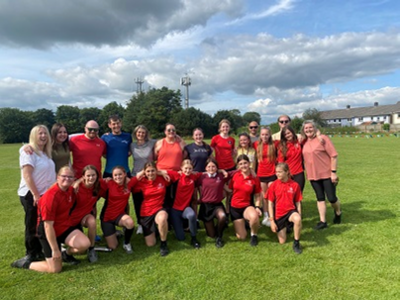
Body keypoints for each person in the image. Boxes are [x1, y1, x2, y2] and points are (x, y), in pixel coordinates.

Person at [12, 166, 91, 272]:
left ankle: (65, 254)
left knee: (84, 244)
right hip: (47, 231)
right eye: (64, 176)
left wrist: (81, 180)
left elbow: (87, 184)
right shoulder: (50, 197)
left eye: (70, 177)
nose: (67, 179)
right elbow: (47, 226)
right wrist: (55, 250)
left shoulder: (70, 190)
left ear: (73, 179)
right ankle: (27, 264)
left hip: (63, 226)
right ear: (57, 177)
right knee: (55, 269)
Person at [17, 125, 56, 263]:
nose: (43, 136)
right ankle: (31, 252)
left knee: (41, 223)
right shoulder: (29, 152)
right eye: (40, 134)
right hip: (31, 194)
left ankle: (39, 250)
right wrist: (36, 194)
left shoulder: (44, 153)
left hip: (44, 194)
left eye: (45, 133)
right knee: (32, 223)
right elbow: (27, 175)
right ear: (34, 135)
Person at [301, 120, 342, 230]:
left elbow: (333, 155)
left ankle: (338, 212)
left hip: (327, 174)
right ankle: (322, 221)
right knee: (320, 198)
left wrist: (333, 173)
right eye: (306, 128)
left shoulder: (323, 139)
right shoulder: (304, 142)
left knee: (332, 198)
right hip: (313, 175)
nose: (308, 130)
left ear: (314, 128)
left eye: (310, 127)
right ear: (303, 130)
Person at [70, 165, 107, 263]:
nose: (91, 178)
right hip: (71, 220)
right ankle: (64, 252)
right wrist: (77, 182)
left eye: (93, 175)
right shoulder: (75, 188)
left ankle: (91, 249)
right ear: (83, 177)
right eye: (88, 175)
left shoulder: (98, 185)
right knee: (80, 249)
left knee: (92, 221)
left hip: (84, 217)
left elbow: (112, 183)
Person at [133, 162, 172, 256]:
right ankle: (158, 231)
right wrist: (139, 174)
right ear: (145, 172)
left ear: (156, 170)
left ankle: (163, 243)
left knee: (162, 218)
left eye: (153, 171)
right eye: (148, 171)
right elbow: (130, 185)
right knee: (150, 244)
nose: (151, 173)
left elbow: (175, 175)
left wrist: (161, 172)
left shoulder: (162, 179)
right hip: (146, 212)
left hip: (159, 208)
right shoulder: (141, 181)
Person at [197, 158, 235, 248]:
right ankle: (216, 228)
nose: (211, 168)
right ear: (205, 168)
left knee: (222, 216)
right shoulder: (201, 177)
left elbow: (236, 171)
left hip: (217, 205)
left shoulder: (221, 176)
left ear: (217, 168)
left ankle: (220, 237)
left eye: (213, 166)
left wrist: (251, 171)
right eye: (209, 166)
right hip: (205, 206)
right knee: (211, 235)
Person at [100, 166, 138, 254]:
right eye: (115, 175)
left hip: (119, 216)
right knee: (113, 246)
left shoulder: (130, 183)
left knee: (130, 223)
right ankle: (115, 233)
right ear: (112, 176)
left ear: (125, 174)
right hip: (107, 218)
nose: (118, 177)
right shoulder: (109, 183)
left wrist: (161, 172)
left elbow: (142, 173)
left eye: (120, 174)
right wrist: (78, 182)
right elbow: (92, 180)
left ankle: (127, 243)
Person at [266, 163, 303, 254]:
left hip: (290, 211)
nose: (277, 174)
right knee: (282, 242)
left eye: (280, 172)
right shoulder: (273, 185)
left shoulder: (295, 185)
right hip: (279, 214)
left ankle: (296, 243)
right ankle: (287, 227)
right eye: (276, 172)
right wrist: (271, 221)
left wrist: (299, 214)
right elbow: (270, 204)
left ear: (287, 172)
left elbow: (298, 202)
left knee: (297, 219)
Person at [166, 160, 203, 249]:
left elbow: (208, 172)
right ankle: (178, 226)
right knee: (181, 238)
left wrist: (221, 171)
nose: (187, 170)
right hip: (175, 209)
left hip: (186, 208)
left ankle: (194, 238)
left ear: (192, 169)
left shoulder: (194, 176)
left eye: (190, 168)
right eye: (185, 168)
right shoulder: (177, 175)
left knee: (192, 215)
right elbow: (160, 171)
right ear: (181, 168)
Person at [229, 155, 262, 246]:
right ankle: (245, 224)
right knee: (242, 237)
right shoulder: (235, 175)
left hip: (246, 206)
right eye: (241, 164)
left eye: (245, 163)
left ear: (249, 163)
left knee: (254, 216)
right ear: (238, 166)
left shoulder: (254, 178)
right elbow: (230, 189)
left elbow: (258, 195)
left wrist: (257, 207)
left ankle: (254, 235)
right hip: (235, 207)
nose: (243, 166)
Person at [130, 125, 157, 235]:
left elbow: (166, 139)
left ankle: (153, 221)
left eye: (143, 132)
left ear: (146, 134)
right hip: (136, 176)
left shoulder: (152, 143)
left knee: (150, 200)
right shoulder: (132, 145)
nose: (141, 134)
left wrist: (177, 136)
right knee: (138, 201)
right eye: (139, 132)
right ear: (135, 134)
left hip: (149, 175)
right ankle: (140, 224)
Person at [154, 123, 186, 210]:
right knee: (163, 198)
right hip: (162, 174)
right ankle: (164, 218)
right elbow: (154, 157)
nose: (171, 131)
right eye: (169, 130)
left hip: (177, 175)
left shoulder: (181, 143)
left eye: (173, 130)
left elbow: (185, 157)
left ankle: (174, 219)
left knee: (175, 198)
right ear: (165, 132)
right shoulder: (160, 143)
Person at [210, 119, 236, 219]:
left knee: (230, 191)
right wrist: (214, 161)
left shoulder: (232, 140)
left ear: (229, 128)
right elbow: (210, 151)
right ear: (220, 128)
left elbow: (233, 152)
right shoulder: (215, 138)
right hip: (220, 168)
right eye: (223, 126)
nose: (225, 128)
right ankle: (218, 210)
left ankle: (228, 211)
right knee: (221, 191)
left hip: (230, 167)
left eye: (227, 126)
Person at [254, 127, 278, 227]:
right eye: (263, 134)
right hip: (261, 174)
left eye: (266, 134)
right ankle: (266, 215)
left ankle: (274, 215)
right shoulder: (256, 144)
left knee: (272, 195)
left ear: (270, 135)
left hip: (272, 174)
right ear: (260, 135)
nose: (265, 136)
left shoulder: (275, 144)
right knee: (264, 196)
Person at [277, 126, 305, 191]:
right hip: (288, 173)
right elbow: (280, 162)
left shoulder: (299, 141)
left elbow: (308, 134)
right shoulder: (282, 146)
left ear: (292, 132)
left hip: (299, 172)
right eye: (285, 134)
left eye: (288, 133)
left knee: (298, 193)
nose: (287, 135)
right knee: (288, 193)